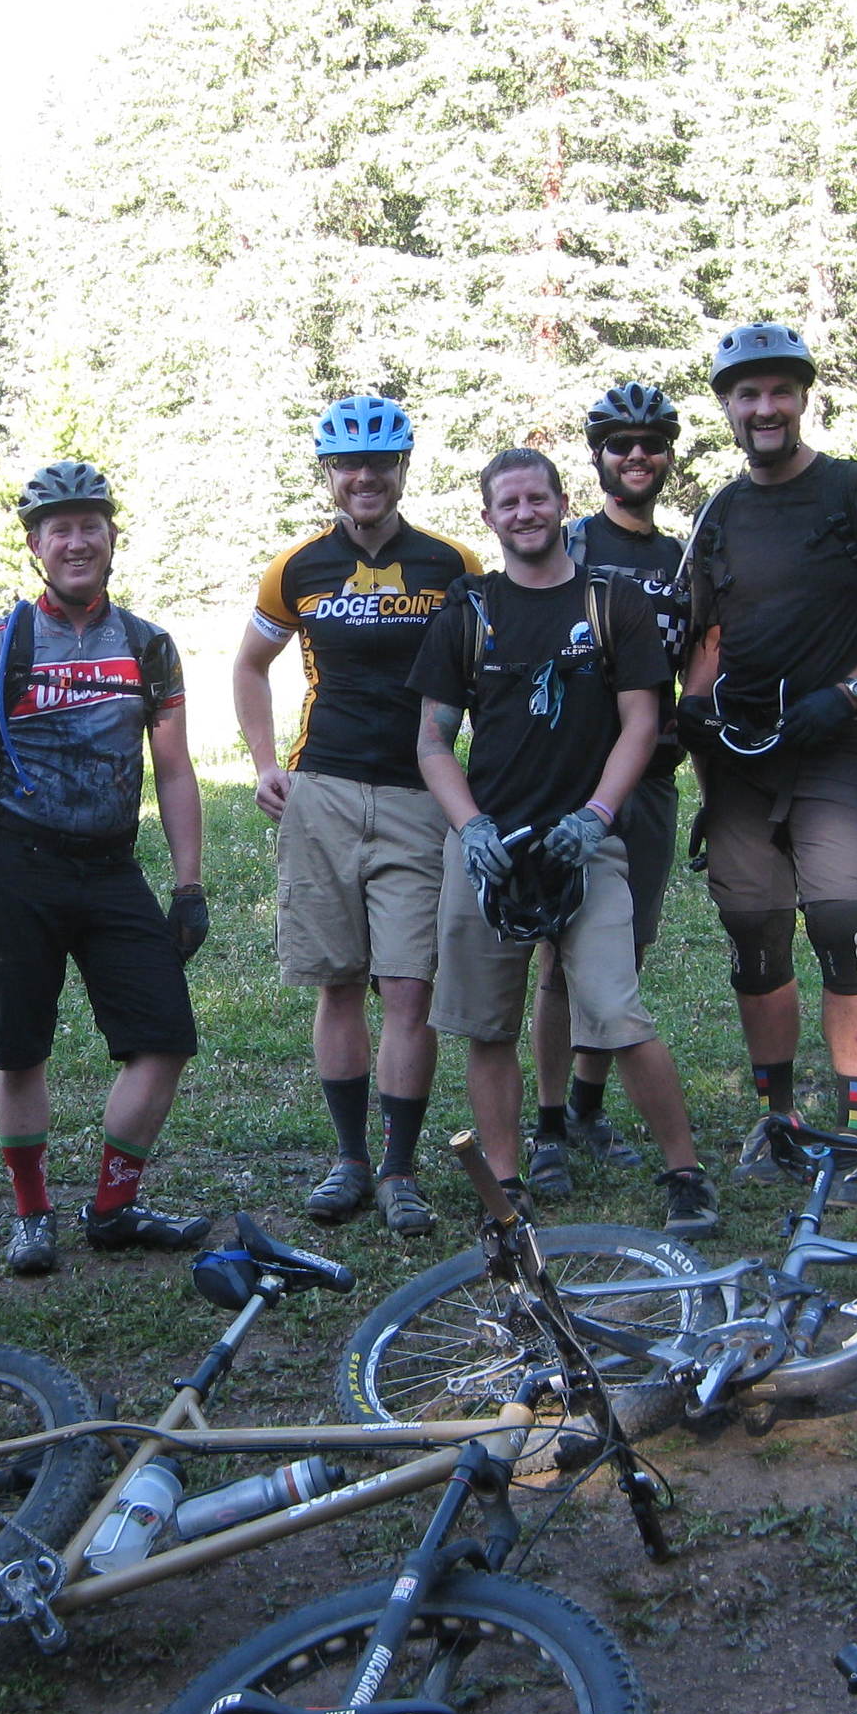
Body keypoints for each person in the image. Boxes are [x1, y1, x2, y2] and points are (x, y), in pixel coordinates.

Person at [410, 448, 719, 1238]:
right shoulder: (468, 611)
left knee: (617, 1010)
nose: (523, 513)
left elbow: (643, 721)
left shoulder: (611, 602)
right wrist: (470, 825)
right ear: (488, 518)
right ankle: (506, 1186)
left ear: (561, 503)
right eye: (506, 503)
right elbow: (434, 743)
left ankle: (685, 1172)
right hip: (490, 849)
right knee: (486, 1025)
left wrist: (598, 816)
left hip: (588, 841)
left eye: (536, 498)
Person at [677, 322, 857, 1192]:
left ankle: (855, 1128)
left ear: (802, 398)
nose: (764, 408)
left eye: (779, 391)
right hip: (742, 756)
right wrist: (703, 735)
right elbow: (699, 632)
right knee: (754, 932)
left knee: (841, 923)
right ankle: (779, 1120)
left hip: (831, 747)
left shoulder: (855, 491)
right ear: (727, 407)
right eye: (746, 394)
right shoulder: (719, 509)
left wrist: (852, 692)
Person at [0, 460, 209, 1278]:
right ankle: (30, 1214)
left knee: (163, 1038)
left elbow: (174, 769)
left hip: (112, 866)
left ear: (112, 538)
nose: (77, 540)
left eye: (91, 525)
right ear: (34, 546)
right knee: (19, 1051)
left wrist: (188, 883)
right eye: (60, 528)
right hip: (20, 866)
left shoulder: (147, 646)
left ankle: (113, 1208)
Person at [232, 396, 479, 1236]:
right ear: (330, 475)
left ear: (403, 468)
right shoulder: (296, 568)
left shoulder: (455, 564)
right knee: (339, 981)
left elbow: (499, 664)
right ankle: (347, 1159)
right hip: (324, 791)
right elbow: (250, 664)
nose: (364, 477)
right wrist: (268, 763)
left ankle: (400, 1167)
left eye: (381, 462)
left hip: (420, 795)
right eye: (349, 465)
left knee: (409, 987)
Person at [526, 382, 691, 1194]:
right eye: (619, 444)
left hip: (652, 778)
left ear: (668, 456)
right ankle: (550, 1122)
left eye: (651, 443)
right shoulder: (573, 542)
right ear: (595, 457)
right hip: (572, 776)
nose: (636, 456)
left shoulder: (682, 557)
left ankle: (589, 1107)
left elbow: (701, 655)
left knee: (623, 954)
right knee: (560, 957)